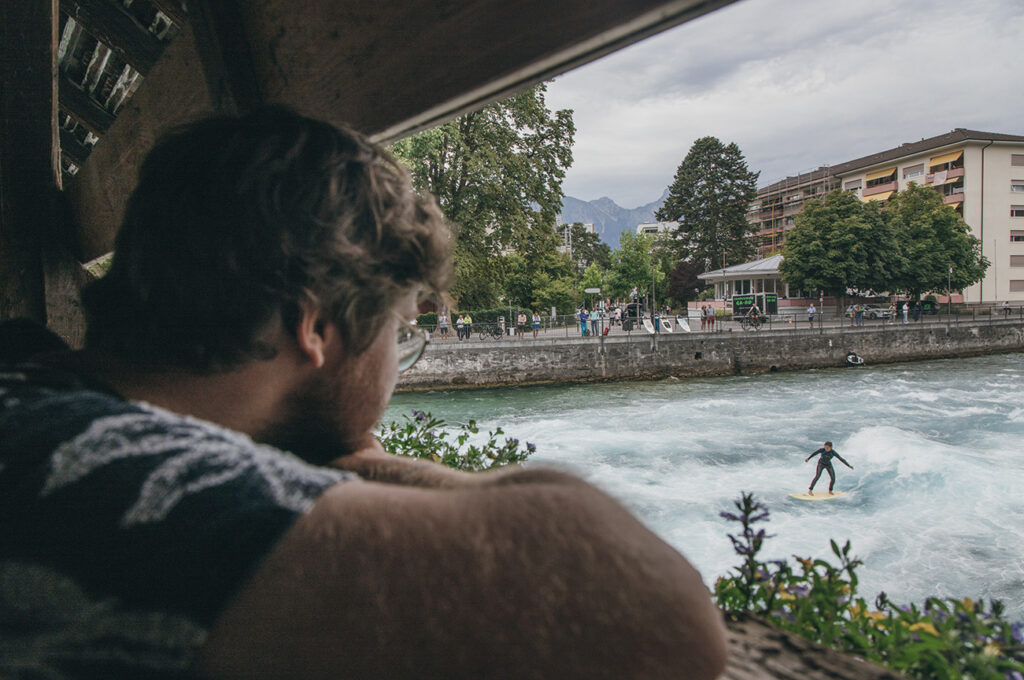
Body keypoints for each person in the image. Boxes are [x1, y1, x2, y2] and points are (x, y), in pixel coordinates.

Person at [0, 108, 726, 680]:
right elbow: (659, 617)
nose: (398, 360)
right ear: (316, 327)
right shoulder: (118, 478)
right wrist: (353, 450)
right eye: (400, 329)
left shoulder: (29, 378)